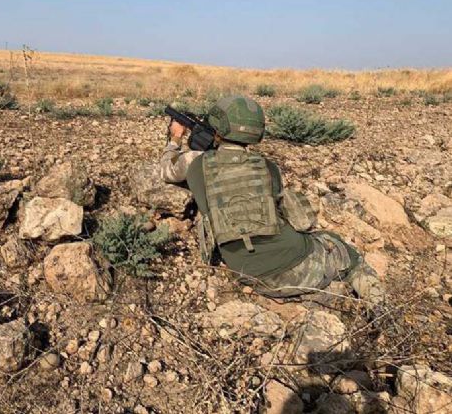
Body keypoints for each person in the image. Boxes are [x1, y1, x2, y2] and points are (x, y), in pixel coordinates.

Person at [159, 96, 385, 309]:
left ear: (218, 128)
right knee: (343, 250)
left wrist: (175, 138)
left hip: (249, 274)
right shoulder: (269, 168)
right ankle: (381, 307)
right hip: (296, 261)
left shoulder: (194, 163)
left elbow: (166, 169)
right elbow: (301, 222)